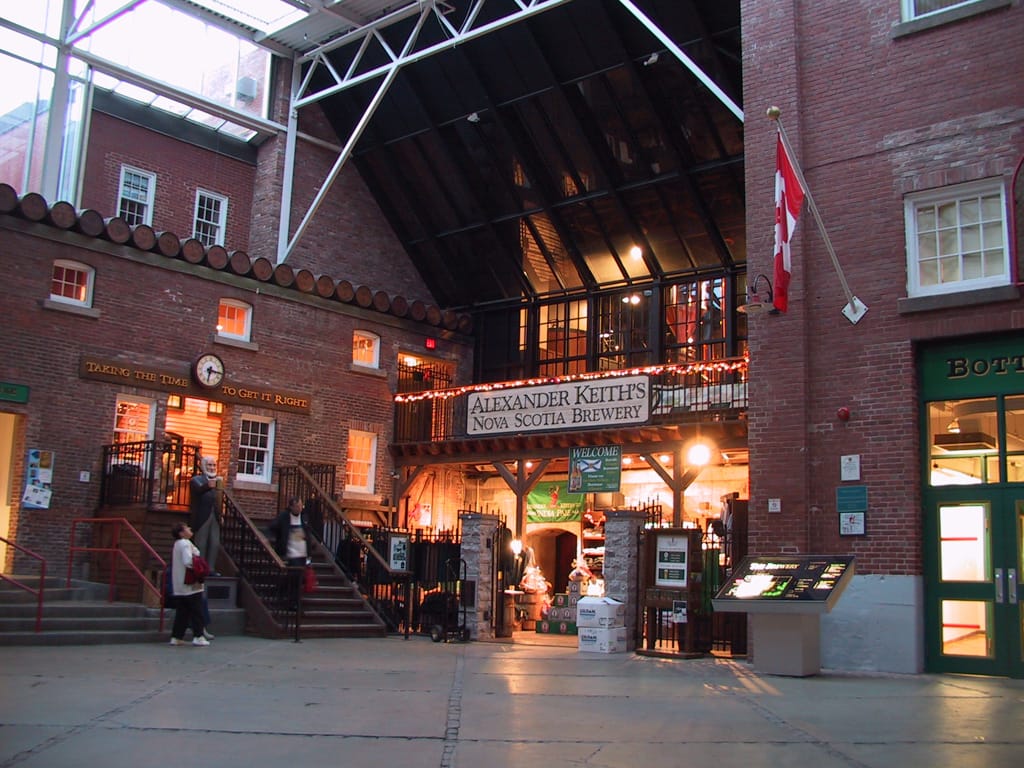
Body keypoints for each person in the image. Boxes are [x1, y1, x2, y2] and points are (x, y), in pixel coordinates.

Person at [168, 521, 211, 646]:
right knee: (197, 610)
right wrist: (199, 567)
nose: (190, 528)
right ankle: (198, 636)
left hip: (179, 584)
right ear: (181, 532)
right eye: (186, 527)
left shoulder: (177, 544)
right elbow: (188, 561)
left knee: (182, 612)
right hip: (190, 584)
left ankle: (177, 636)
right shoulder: (186, 543)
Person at [266, 496, 311, 607]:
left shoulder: (304, 518)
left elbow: (307, 534)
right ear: (291, 507)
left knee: (299, 578)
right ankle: (291, 601)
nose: (300, 508)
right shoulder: (284, 517)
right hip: (290, 552)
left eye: (301, 505)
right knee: (294, 576)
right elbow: (272, 527)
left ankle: (287, 597)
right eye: (297, 506)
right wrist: (277, 539)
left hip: (301, 553)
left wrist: (309, 554)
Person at [189, 455, 221, 574]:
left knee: (214, 543)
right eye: (209, 465)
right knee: (201, 543)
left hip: (215, 516)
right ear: (203, 466)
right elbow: (199, 490)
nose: (212, 468)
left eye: (214, 465)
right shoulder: (196, 480)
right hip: (202, 516)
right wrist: (209, 485)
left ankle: (211, 569)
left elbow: (219, 498)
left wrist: (221, 514)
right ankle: (199, 569)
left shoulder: (218, 481)